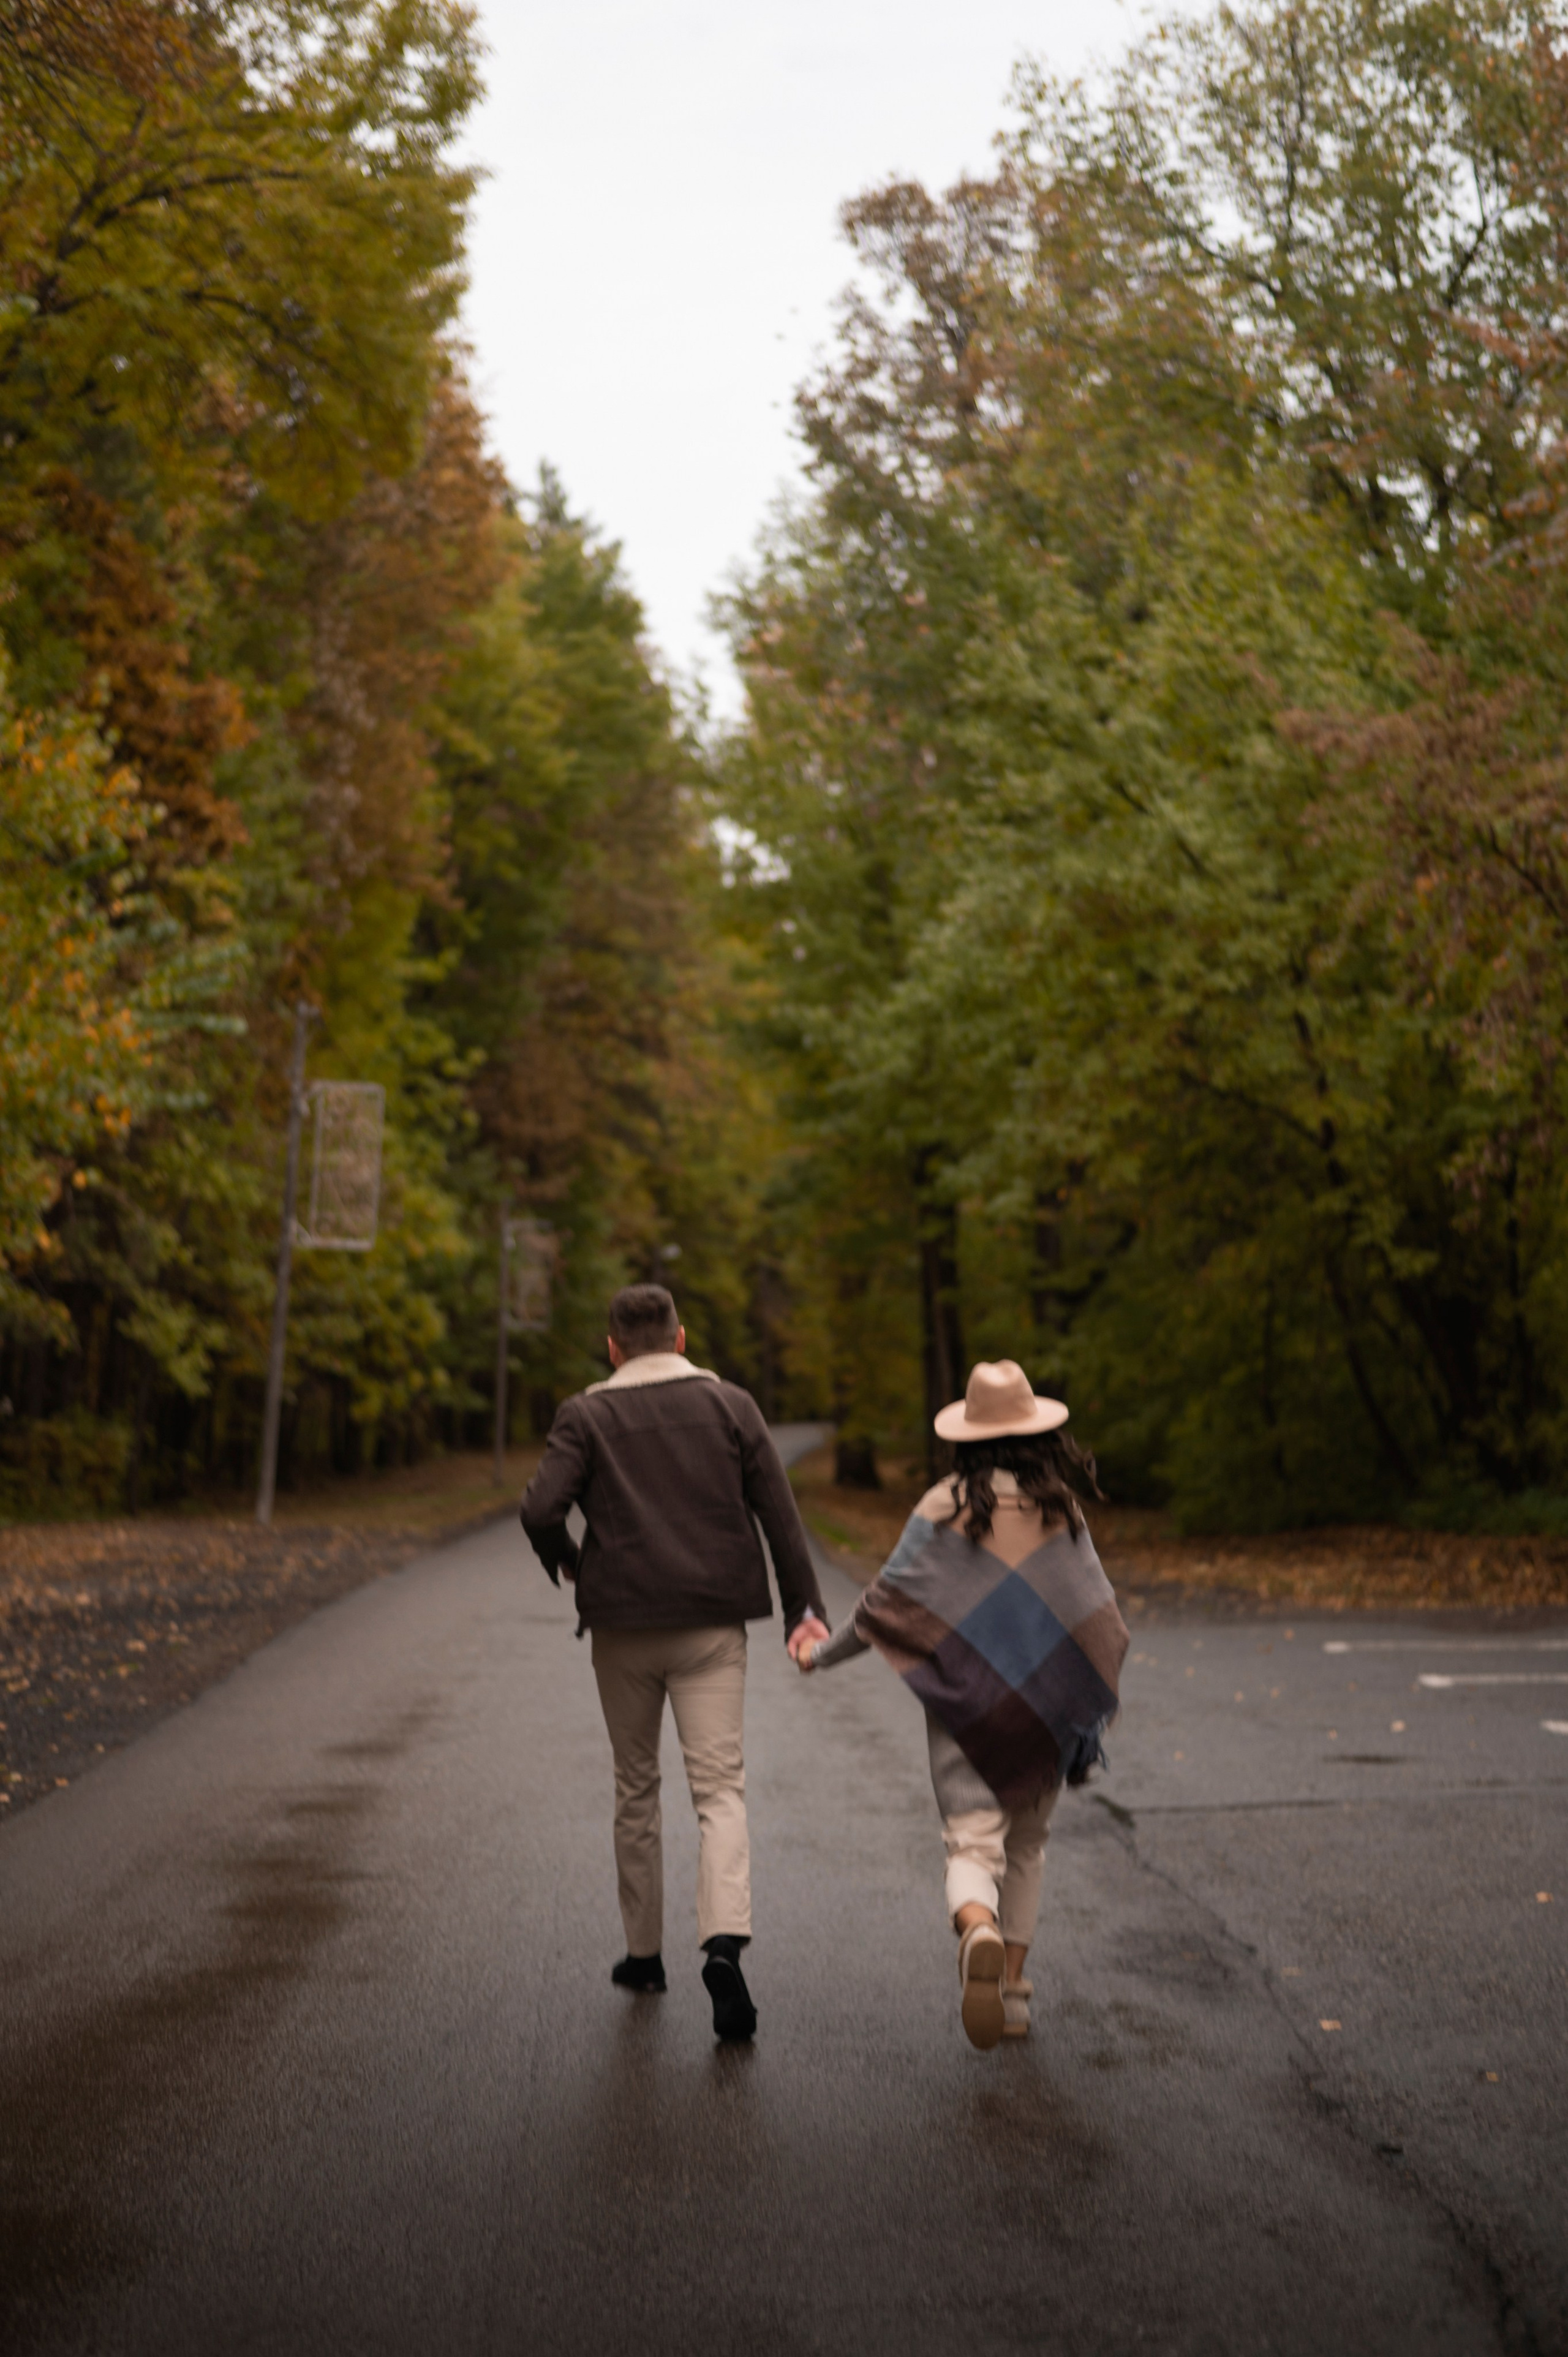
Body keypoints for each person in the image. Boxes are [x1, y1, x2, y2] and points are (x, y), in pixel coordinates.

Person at [519, 1284, 829, 2040]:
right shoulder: (731, 1405)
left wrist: (571, 1561)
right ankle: (722, 1943)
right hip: (711, 1623)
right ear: (681, 1338)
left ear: (613, 1348)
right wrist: (803, 1609)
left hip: (623, 1625)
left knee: (636, 1786)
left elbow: (539, 1509)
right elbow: (779, 1514)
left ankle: (643, 1955)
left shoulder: (584, 1414)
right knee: (719, 1788)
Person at [798, 1359, 1128, 2050]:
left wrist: (820, 1653)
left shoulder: (941, 1506)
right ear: (1038, 1435)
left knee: (972, 1843)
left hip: (967, 1713)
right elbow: (1100, 1620)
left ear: (968, 1437)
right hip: (1045, 1714)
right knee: (1028, 1847)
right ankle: (1013, 1993)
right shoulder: (1059, 1508)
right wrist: (1082, 1699)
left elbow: (882, 1608)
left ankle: (976, 1928)